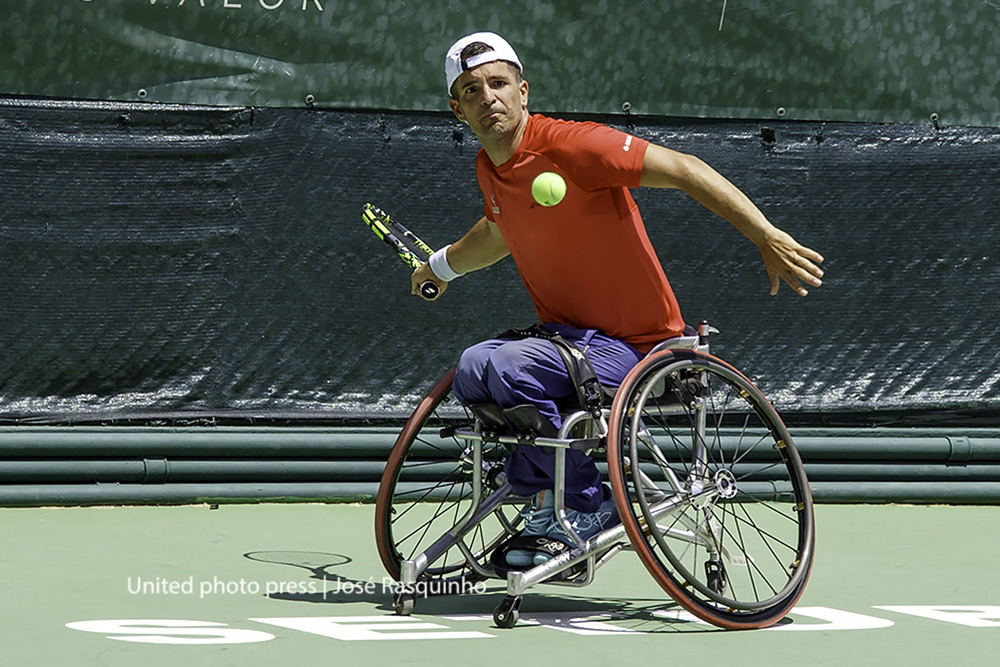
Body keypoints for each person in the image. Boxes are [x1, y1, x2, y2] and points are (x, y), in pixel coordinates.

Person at [410, 32, 824, 568]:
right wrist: (440, 266)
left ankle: (583, 506)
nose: (487, 97)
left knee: (511, 369)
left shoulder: (574, 146)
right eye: (471, 90)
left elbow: (685, 169)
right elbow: (497, 234)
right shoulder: (490, 170)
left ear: (523, 91)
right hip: (572, 343)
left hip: (641, 347)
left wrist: (765, 235)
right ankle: (545, 500)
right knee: (472, 366)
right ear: (457, 109)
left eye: (497, 83)